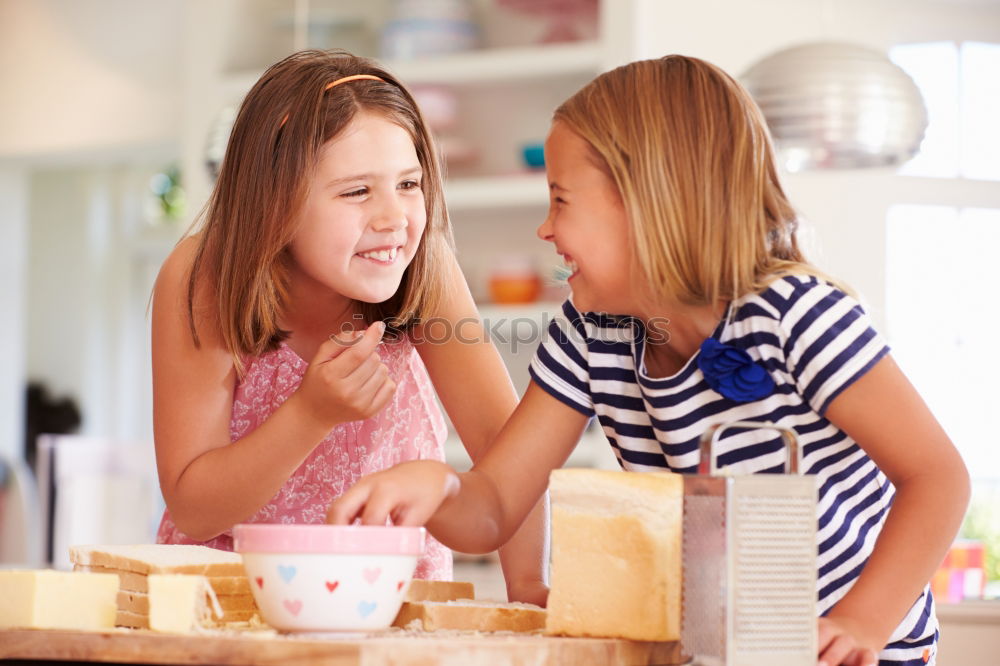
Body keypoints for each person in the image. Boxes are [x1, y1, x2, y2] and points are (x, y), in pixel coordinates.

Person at [326, 55, 970, 665]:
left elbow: (937, 478)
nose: (545, 230)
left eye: (561, 200)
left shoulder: (794, 314)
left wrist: (862, 622)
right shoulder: (591, 334)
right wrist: (436, 485)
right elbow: (494, 506)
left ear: (647, 204)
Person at [150, 50, 547, 604]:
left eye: (409, 185)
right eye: (357, 191)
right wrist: (310, 414)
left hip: (388, 602)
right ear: (274, 202)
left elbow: (511, 454)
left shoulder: (426, 268)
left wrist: (527, 586)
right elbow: (192, 507)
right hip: (232, 605)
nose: (393, 218)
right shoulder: (205, 278)